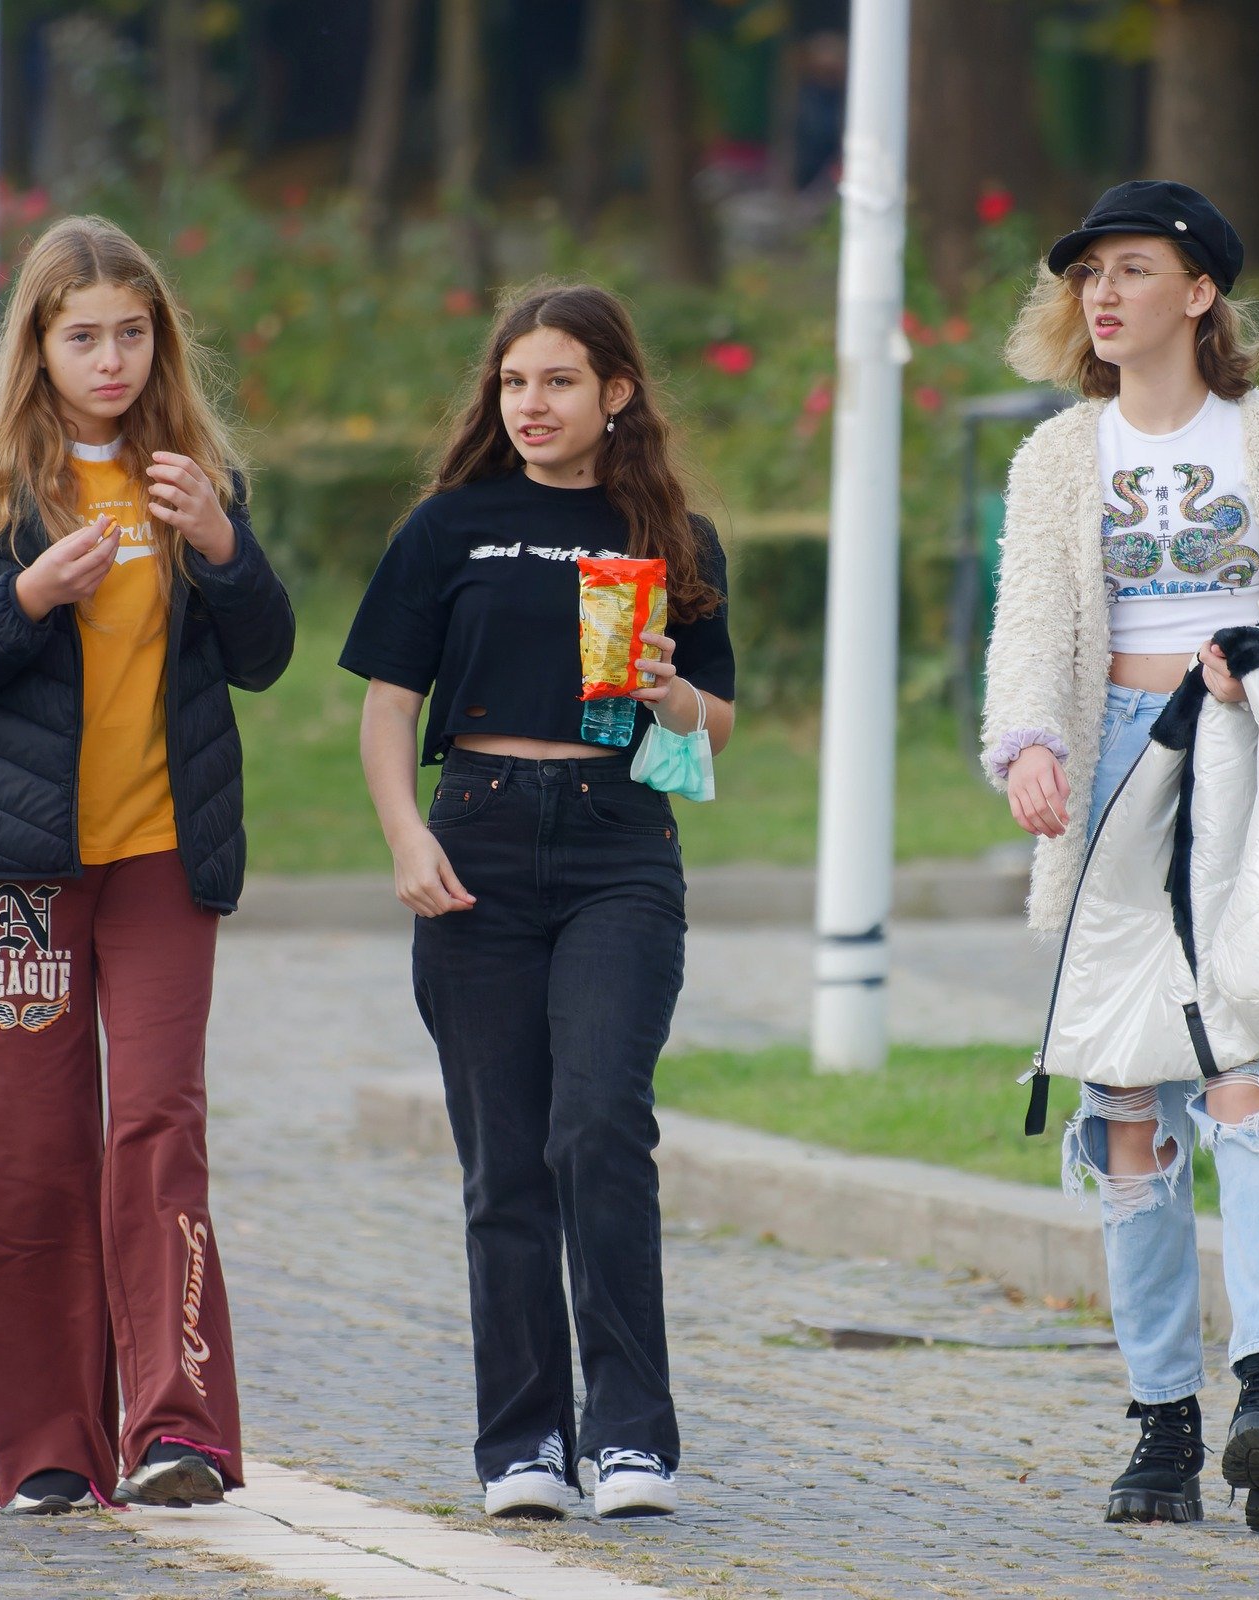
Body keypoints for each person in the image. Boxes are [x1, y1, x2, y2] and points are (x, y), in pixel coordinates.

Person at [982, 180, 1259, 1531]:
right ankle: (1162, 1420)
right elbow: (1029, 623)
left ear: (1200, 291)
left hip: (1247, 773)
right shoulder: (1060, 456)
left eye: (1134, 268)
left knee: (1246, 1079)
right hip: (1113, 771)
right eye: (1090, 274)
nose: (1104, 295)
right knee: (1125, 1101)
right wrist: (1029, 743)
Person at [0, 215, 294, 1516]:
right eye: (83, 338)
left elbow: (267, 655)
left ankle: (179, 1430)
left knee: (157, 1122)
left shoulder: (194, 474)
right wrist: (26, 598)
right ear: (39, 345)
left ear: (159, 340)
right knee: (29, 1147)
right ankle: (50, 1447)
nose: (111, 361)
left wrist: (225, 549)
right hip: (20, 870)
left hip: (165, 855)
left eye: (131, 334)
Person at [340, 283, 735, 1522]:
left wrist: (673, 695)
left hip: (620, 845)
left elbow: (717, 721)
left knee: (600, 1125)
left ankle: (631, 1438)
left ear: (616, 391)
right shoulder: (449, 526)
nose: (532, 404)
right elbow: (388, 704)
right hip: (477, 838)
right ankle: (521, 1443)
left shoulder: (673, 534)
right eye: (514, 382)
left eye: (559, 381)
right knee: (503, 1160)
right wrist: (405, 835)